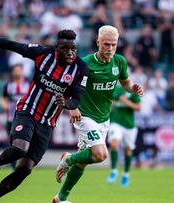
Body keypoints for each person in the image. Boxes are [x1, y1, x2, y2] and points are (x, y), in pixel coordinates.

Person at [0, 29, 89, 203]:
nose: (70, 53)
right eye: (65, 49)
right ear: (57, 48)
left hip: (47, 123)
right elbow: (11, 45)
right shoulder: (42, 54)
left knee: (24, 170)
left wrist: (66, 104)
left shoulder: (81, 68)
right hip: (28, 110)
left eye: (74, 49)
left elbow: (77, 98)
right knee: (20, 148)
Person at [53, 25, 144, 203]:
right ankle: (68, 158)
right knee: (101, 155)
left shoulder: (119, 62)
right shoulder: (85, 63)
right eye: (106, 44)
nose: (110, 48)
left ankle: (61, 198)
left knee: (83, 162)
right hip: (85, 116)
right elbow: (66, 86)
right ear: (98, 43)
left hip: (104, 118)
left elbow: (125, 82)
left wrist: (133, 87)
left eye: (113, 44)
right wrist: (72, 107)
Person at [107, 85, 141, 187]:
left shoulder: (134, 91)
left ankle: (126, 175)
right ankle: (113, 170)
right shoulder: (116, 89)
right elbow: (111, 102)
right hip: (116, 122)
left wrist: (126, 102)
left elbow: (138, 107)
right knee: (114, 144)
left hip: (129, 125)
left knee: (128, 150)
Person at [0, 64, 30, 168]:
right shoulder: (8, 85)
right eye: (15, 71)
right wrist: (4, 105)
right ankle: (13, 165)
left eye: (18, 70)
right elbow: (2, 97)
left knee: (24, 142)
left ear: (22, 72)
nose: (17, 72)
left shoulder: (28, 85)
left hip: (25, 119)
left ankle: (23, 163)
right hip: (11, 119)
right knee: (13, 143)